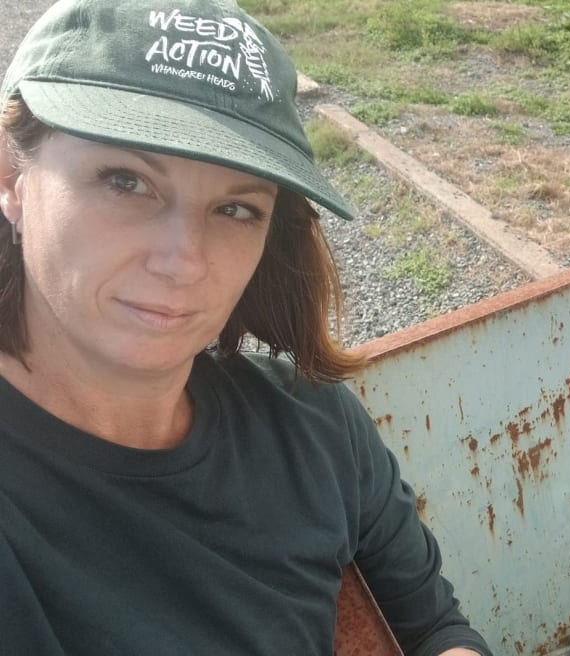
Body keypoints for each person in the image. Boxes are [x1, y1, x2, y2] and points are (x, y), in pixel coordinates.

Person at [0, 1, 492, 654]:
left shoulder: (311, 424)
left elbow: (431, 628)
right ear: (12, 177)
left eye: (235, 208)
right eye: (126, 181)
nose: (184, 262)